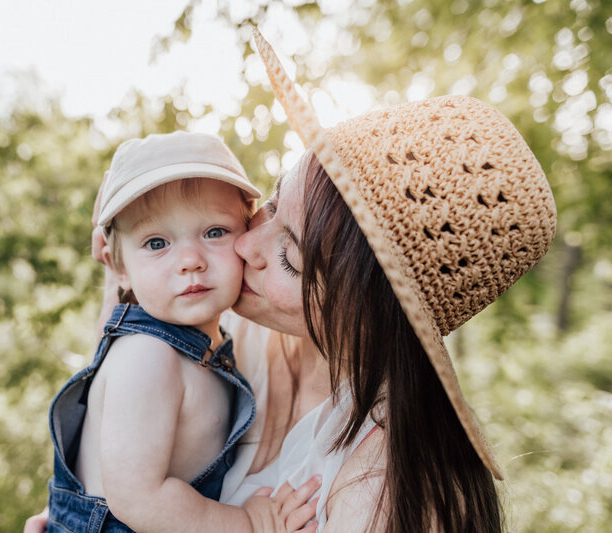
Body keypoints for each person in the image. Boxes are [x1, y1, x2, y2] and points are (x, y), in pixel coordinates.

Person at [28, 30, 557, 533]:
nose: (243, 246)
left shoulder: (376, 490)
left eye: (291, 260)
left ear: (367, 309)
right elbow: (125, 399)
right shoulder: (235, 326)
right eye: (272, 205)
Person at [41, 130, 322, 533]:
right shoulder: (146, 356)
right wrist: (248, 523)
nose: (190, 260)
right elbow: (137, 498)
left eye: (214, 232)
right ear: (120, 268)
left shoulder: (207, 342)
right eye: (157, 243)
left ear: (247, 231)